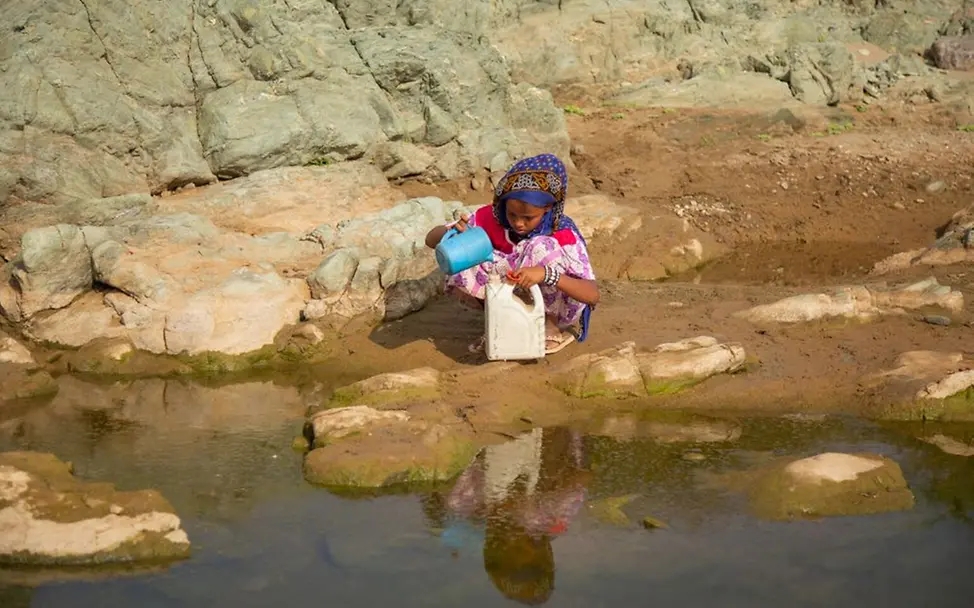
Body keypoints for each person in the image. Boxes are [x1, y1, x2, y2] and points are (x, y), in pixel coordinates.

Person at [424, 153, 600, 355]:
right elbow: (430, 240)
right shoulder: (491, 218)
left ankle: (548, 323)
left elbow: (592, 295)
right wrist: (454, 232)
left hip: (557, 302)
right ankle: (501, 322)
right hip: (510, 293)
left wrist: (545, 274)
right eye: (512, 214)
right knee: (467, 255)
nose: (518, 223)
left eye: (528, 217)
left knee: (539, 247)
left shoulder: (562, 233)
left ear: (548, 208)